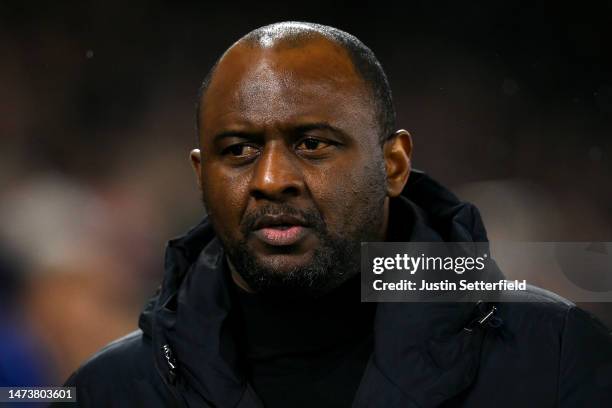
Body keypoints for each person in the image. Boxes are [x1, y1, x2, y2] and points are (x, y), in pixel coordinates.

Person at [62, 22, 612, 407]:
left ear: (393, 164)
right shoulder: (107, 389)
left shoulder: (555, 356)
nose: (272, 179)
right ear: (201, 173)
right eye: (238, 150)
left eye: (313, 144)